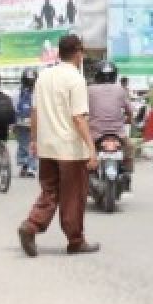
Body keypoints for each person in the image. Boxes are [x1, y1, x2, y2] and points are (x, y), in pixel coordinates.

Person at [17, 34, 100, 256]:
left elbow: (34, 113)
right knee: (73, 196)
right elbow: (79, 118)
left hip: (47, 146)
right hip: (70, 149)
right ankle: (76, 240)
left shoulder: (43, 77)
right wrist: (92, 149)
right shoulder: (76, 79)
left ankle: (31, 225)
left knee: (49, 192)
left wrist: (34, 140)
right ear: (78, 52)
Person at [87, 61, 135, 171]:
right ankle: (128, 172)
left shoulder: (89, 89)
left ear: (97, 75)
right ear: (115, 75)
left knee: (85, 154)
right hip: (118, 133)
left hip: (95, 133)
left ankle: (86, 176)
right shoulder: (121, 89)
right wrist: (129, 119)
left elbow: (83, 111)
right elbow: (129, 110)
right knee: (130, 147)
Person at [15, 68, 39, 177]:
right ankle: (30, 167)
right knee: (32, 144)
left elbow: (15, 106)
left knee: (25, 144)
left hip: (22, 122)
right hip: (32, 122)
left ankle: (26, 165)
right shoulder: (39, 92)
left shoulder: (19, 91)